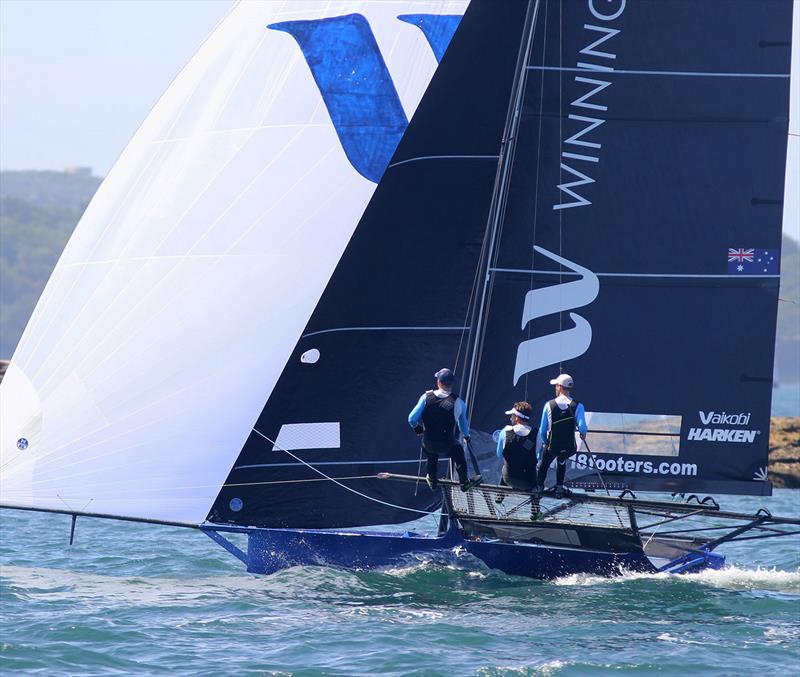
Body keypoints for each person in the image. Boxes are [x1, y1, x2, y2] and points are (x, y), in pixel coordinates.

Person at [408, 368, 481, 492]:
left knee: (431, 455)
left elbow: (411, 419)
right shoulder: (459, 403)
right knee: (458, 453)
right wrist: (466, 436)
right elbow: (462, 425)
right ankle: (464, 482)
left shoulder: (426, 397)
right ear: (451, 384)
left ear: (438, 382)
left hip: (428, 443)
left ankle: (432, 480)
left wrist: (417, 428)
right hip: (446, 445)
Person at [536, 374, 588, 499]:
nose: (555, 388)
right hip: (568, 447)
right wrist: (583, 434)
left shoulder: (549, 405)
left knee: (543, 465)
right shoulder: (578, 406)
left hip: (552, 446)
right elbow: (582, 428)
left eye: (556, 386)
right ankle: (559, 488)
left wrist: (546, 443)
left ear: (559, 387)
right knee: (562, 461)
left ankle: (539, 488)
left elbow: (542, 431)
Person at [495, 401, 540, 519]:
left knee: (505, 466)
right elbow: (538, 456)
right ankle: (534, 512)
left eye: (512, 416)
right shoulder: (537, 433)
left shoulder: (505, 431)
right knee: (536, 479)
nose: (510, 418)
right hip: (528, 483)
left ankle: (500, 495)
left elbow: (499, 454)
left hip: (508, 479)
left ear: (516, 417)